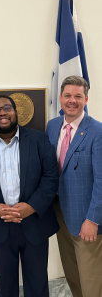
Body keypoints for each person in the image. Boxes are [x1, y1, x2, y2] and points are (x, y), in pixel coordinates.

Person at [0, 95, 59, 297]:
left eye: (7, 108)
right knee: (5, 286)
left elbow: (51, 177)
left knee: (38, 283)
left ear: (16, 112)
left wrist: (31, 206)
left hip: (35, 223)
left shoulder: (39, 139)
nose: (2, 113)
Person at [46, 76, 102, 297]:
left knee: (91, 280)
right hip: (59, 211)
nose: (72, 100)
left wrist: (93, 219)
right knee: (72, 273)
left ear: (86, 99)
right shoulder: (52, 127)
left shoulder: (97, 131)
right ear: (60, 98)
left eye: (78, 96)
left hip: (86, 216)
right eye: (68, 95)